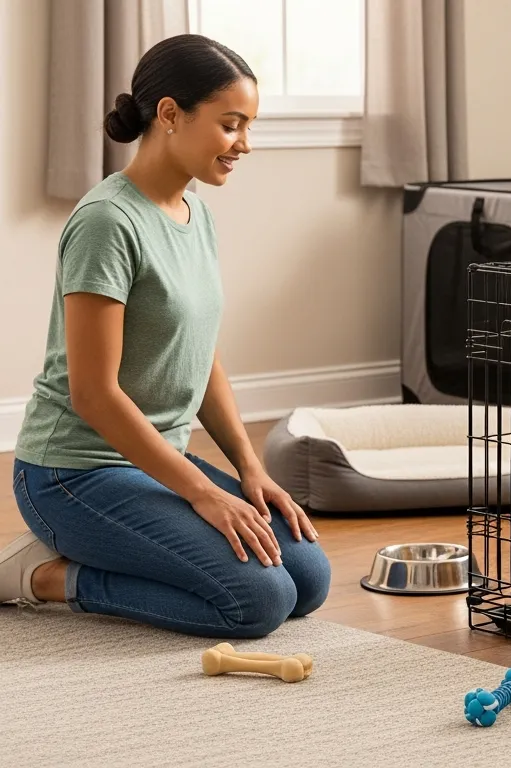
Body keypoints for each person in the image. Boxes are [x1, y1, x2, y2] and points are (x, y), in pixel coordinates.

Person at [0, 34, 330, 638]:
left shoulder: (194, 212)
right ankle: (43, 577)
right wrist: (204, 493)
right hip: (72, 474)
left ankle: (127, 548)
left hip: (150, 466)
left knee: (307, 579)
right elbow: (93, 395)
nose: (245, 145)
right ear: (171, 114)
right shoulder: (107, 222)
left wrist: (249, 470)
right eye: (232, 125)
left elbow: (200, 356)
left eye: (248, 126)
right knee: (257, 601)